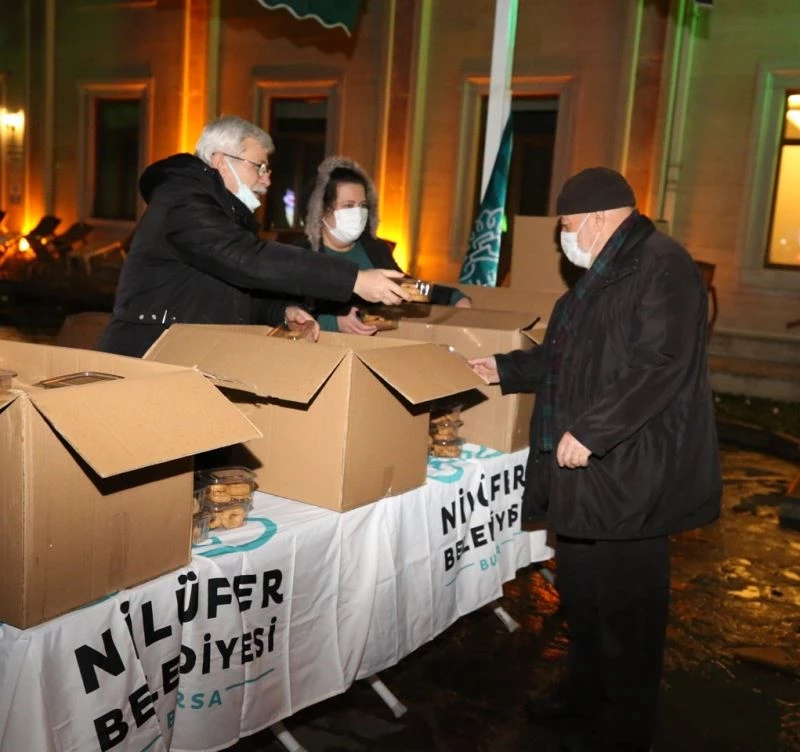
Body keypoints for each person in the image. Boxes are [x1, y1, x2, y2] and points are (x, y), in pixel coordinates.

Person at [469, 167, 721, 752]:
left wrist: (592, 430)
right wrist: (502, 368)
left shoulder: (662, 265)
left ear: (599, 218)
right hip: (588, 473)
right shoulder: (597, 278)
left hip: (633, 473)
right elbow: (562, 357)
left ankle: (624, 727)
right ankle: (582, 692)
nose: (563, 237)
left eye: (566, 225)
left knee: (628, 613)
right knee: (583, 596)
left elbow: (661, 362)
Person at [96, 116, 409, 357]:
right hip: (151, 354)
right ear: (220, 161)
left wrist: (281, 311)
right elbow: (245, 259)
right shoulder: (183, 200)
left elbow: (229, 290)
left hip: (186, 352)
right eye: (259, 167)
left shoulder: (224, 213)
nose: (266, 180)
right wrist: (353, 280)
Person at [302, 155, 470, 335]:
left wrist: (452, 297)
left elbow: (405, 287)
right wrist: (334, 323)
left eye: (363, 206)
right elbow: (288, 310)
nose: (358, 213)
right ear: (321, 211)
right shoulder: (304, 254)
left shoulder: (374, 248)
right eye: (348, 206)